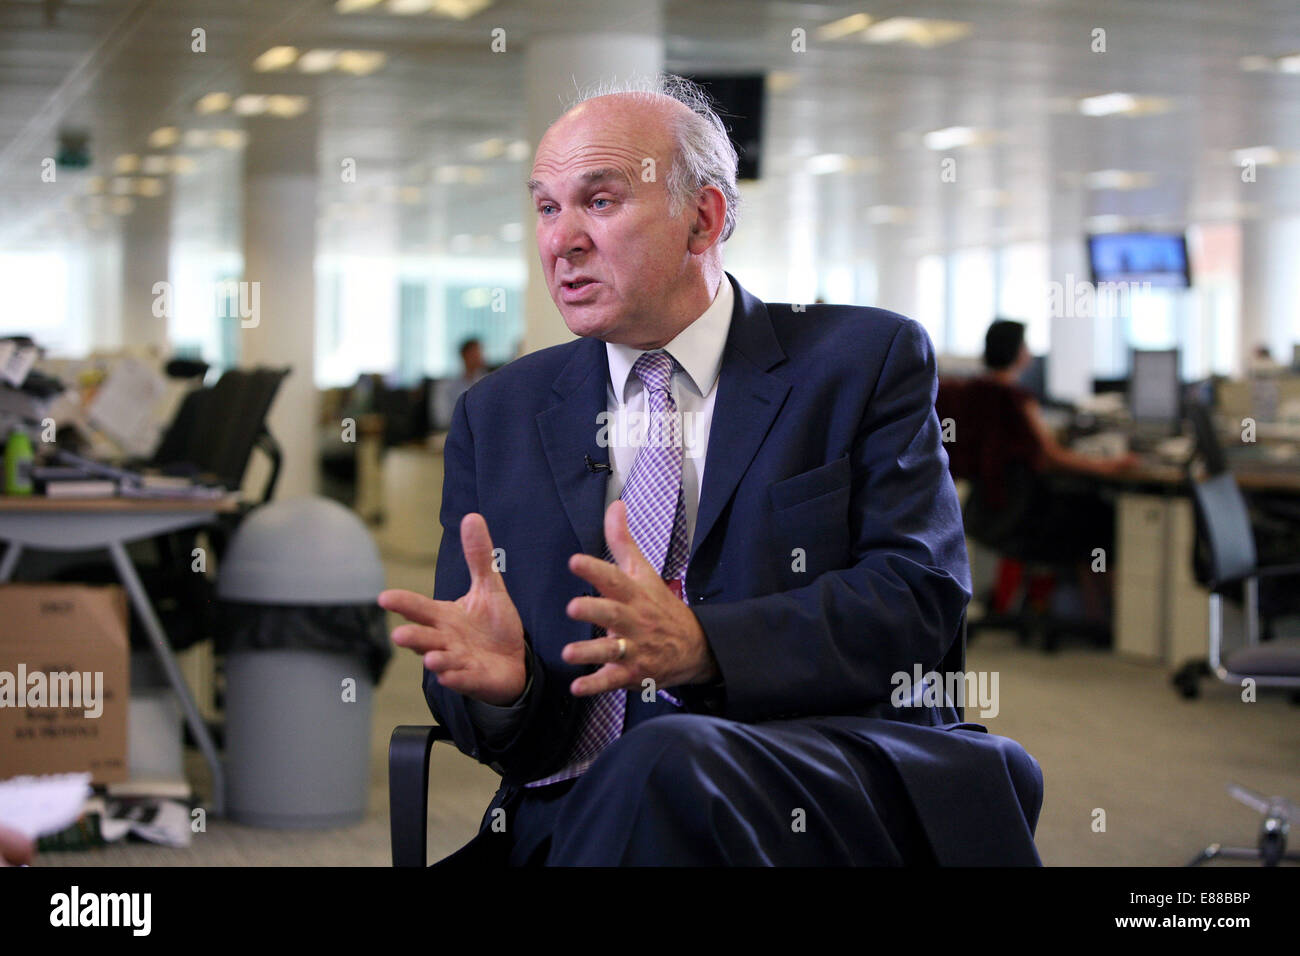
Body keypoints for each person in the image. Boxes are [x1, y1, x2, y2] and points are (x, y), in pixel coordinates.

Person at [379, 76, 1043, 865]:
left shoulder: (860, 363)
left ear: (704, 219)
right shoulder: (501, 413)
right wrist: (506, 690)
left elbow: (916, 599)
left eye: (600, 201)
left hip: (789, 798)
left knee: (666, 763)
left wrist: (706, 645)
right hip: (569, 821)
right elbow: (470, 677)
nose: (562, 240)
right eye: (547, 207)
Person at [432, 338, 489, 430]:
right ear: (464, 355)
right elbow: (441, 419)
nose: (479, 357)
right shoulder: (446, 386)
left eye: (479, 353)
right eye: (474, 353)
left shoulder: (488, 384)